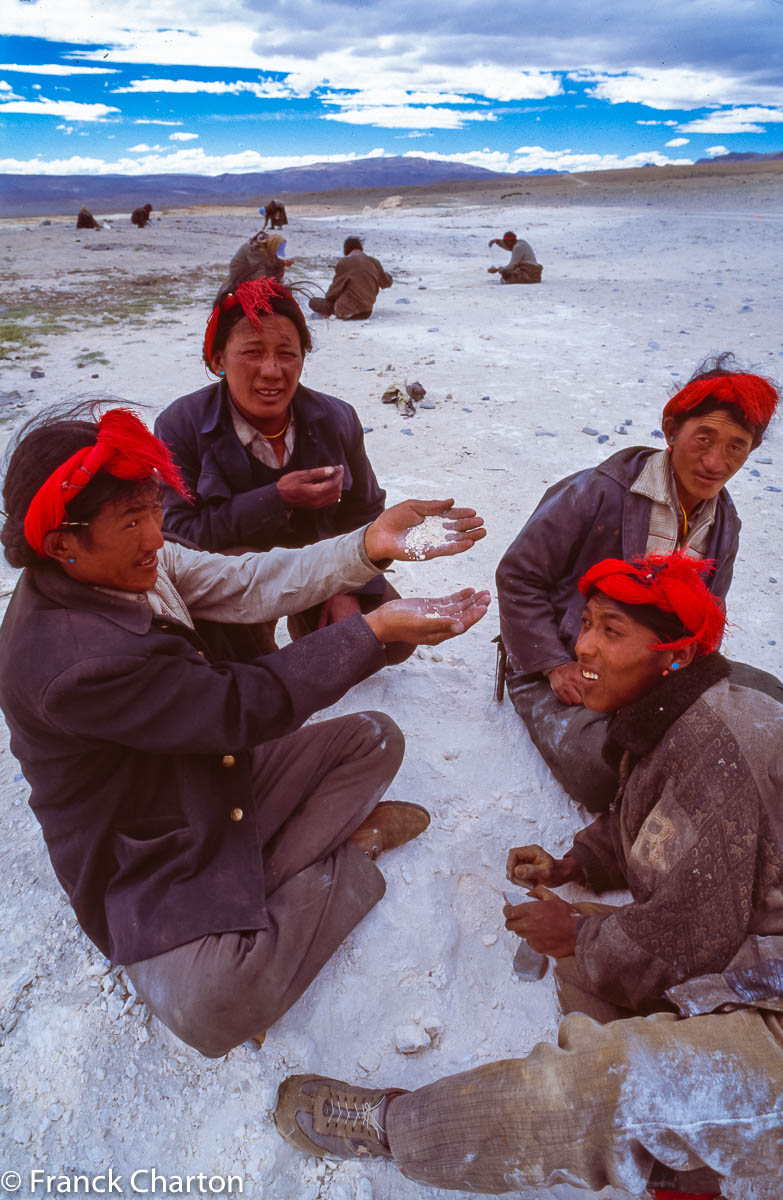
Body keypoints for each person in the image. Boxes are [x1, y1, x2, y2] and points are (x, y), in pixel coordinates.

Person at [274, 553, 783, 1200]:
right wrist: (579, 863)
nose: (584, 645)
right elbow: (656, 823)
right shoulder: (675, 713)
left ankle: (394, 1127)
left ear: (674, 655)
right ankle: (688, 1156)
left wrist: (573, 931)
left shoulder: (721, 747)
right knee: (595, 979)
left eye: (613, 632)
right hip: (749, 949)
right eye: (589, 622)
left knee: (606, 1086)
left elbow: (685, 944)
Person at [0, 404, 489, 1058]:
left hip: (205, 778)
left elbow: (246, 582)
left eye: (152, 509)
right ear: (63, 543)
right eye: (130, 520)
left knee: (372, 738)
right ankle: (334, 865)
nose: (154, 534)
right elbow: (237, 708)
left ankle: (259, 876)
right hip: (143, 854)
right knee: (213, 1011)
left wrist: (368, 544)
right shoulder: (72, 661)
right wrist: (373, 630)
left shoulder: (131, 566)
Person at [496, 357, 781, 812]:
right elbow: (518, 576)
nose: (714, 462)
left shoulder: (724, 522)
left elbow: (708, 614)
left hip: (654, 664)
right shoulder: (597, 492)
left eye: (736, 447)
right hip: (570, 656)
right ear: (671, 431)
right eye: (703, 439)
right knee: (604, 774)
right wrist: (551, 664)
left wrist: (682, 676)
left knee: (771, 703)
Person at [155, 278, 410, 657]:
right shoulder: (181, 424)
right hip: (236, 574)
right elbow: (177, 535)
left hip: (321, 564)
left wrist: (346, 586)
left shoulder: (337, 419)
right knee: (243, 657)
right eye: (253, 352)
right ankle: (256, 634)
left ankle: (306, 614)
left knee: (394, 644)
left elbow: (367, 512)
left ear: (303, 358)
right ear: (218, 360)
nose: (272, 371)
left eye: (287, 354)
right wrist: (275, 498)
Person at [308, 236, 392, 320]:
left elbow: (334, 291)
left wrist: (328, 299)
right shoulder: (374, 261)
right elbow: (386, 283)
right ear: (361, 248)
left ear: (346, 249)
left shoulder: (345, 262)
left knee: (313, 302)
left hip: (346, 311)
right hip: (366, 312)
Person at [225, 231, 292, 285]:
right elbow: (259, 272)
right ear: (273, 247)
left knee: (277, 269)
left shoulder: (268, 247)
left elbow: (271, 261)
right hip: (240, 273)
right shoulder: (255, 250)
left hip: (252, 270)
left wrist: (282, 263)